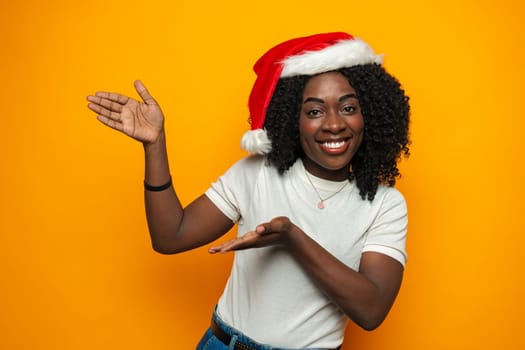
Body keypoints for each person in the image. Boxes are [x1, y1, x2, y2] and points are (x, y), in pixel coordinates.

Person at [86, 32, 410, 350]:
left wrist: (292, 237)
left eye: (348, 108)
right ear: (291, 121)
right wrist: (155, 145)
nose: (334, 124)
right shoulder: (258, 174)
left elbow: (371, 310)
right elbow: (171, 237)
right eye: (314, 111)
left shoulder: (385, 205)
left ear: (370, 115)